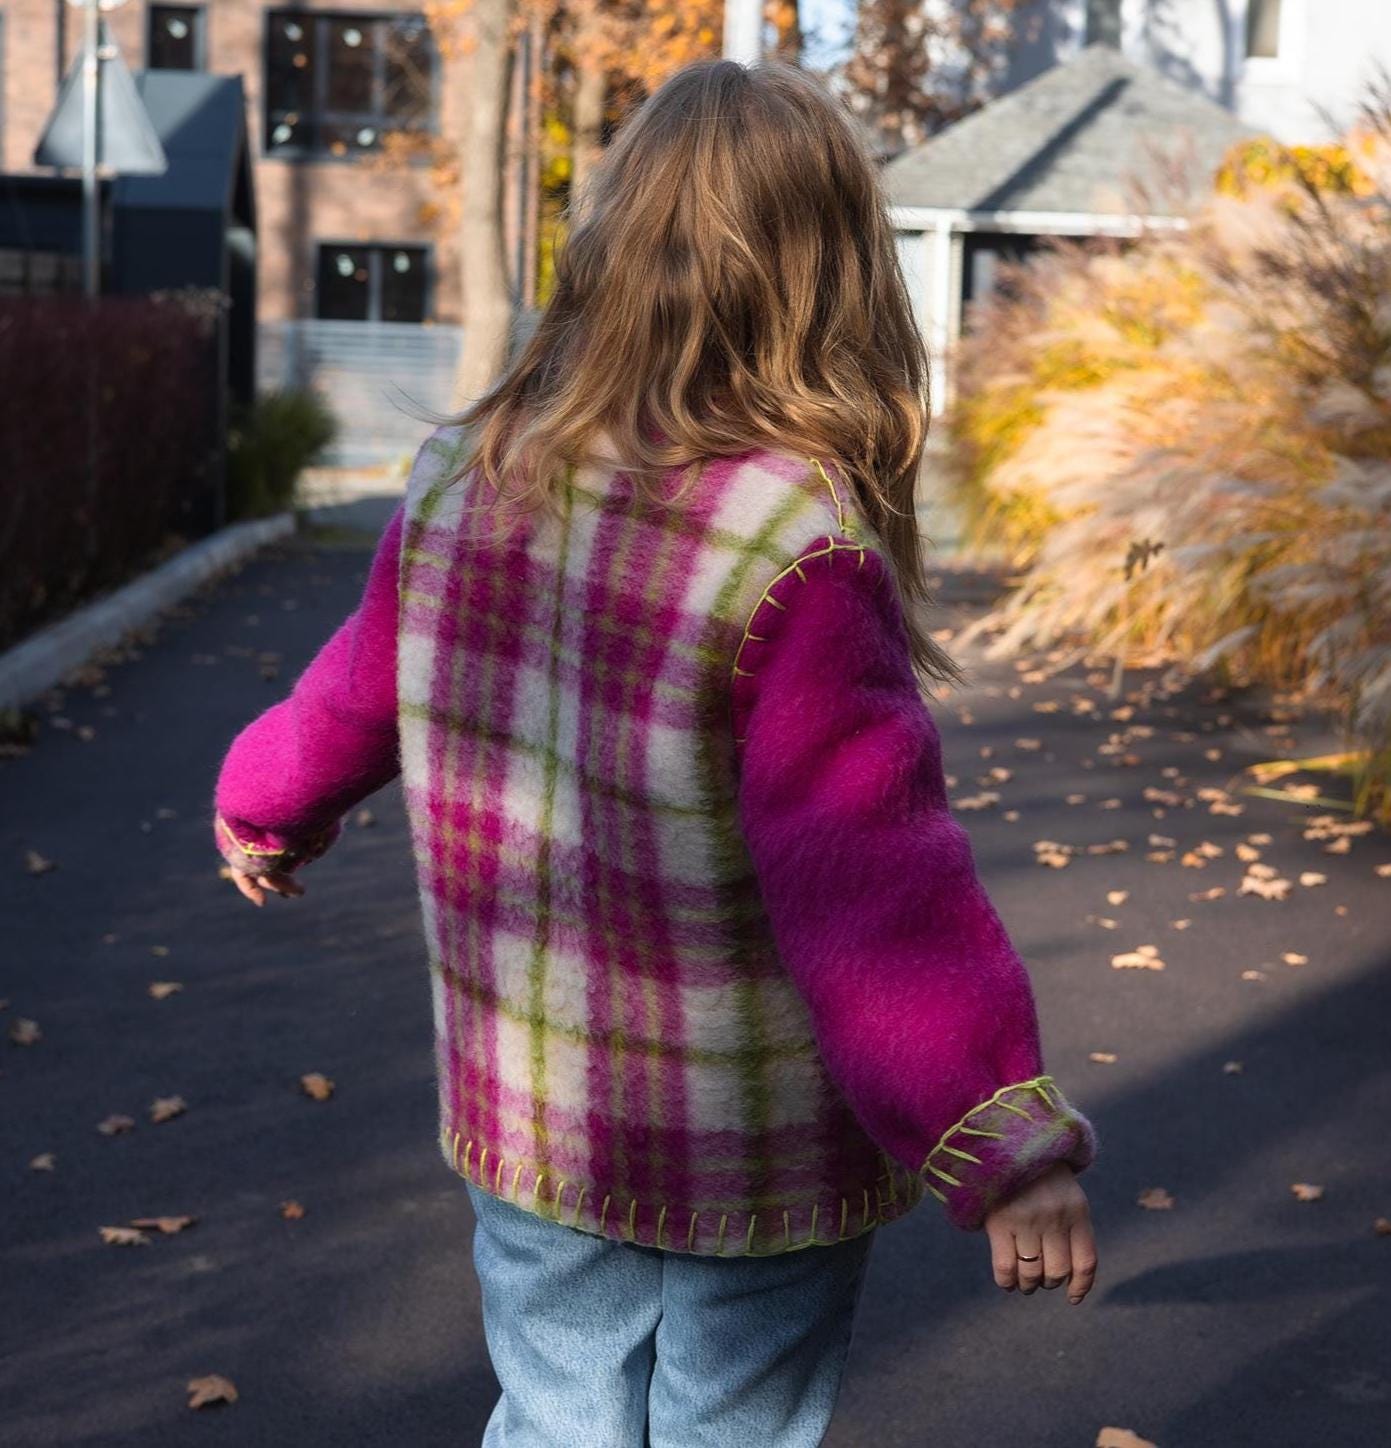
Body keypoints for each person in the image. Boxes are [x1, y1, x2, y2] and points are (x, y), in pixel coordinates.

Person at [213, 57, 1100, 1448]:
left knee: (554, 1415)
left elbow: (354, 691)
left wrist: (264, 800)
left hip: (535, 1111)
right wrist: (997, 1129)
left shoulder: (471, 475)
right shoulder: (793, 550)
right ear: (835, 280)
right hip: (751, 1153)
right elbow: (873, 884)